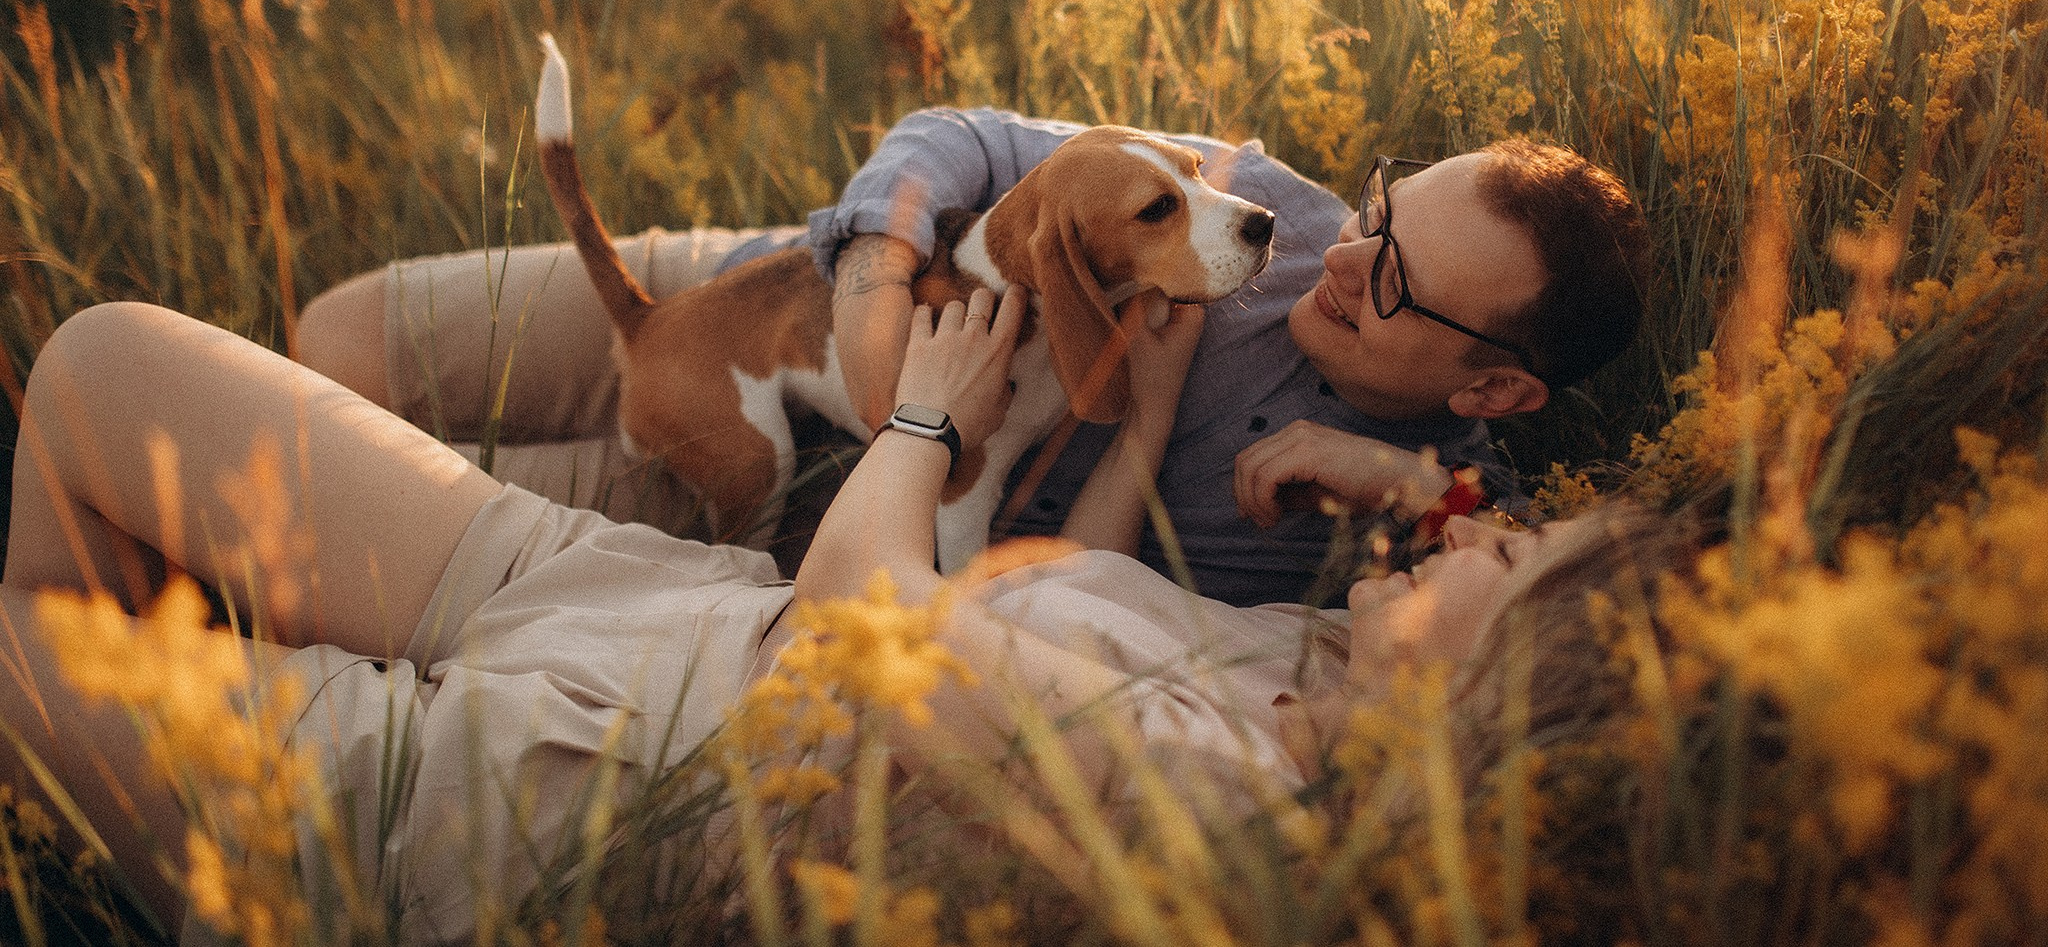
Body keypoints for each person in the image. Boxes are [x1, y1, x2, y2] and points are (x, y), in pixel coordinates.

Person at [1, 288, 1675, 943]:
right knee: (99, 364)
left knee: (16, 644)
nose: (1489, 536)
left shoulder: (1227, 832)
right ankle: (108, 775)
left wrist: (925, 417)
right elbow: (1455, 519)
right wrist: (1399, 493)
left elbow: (863, 601)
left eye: (1514, 565)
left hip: (520, 795)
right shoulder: (1310, 656)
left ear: (1500, 700)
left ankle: (124, 811)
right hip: (618, 588)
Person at [299, 107, 1650, 606]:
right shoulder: (1274, 213)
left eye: (1397, 277)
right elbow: (968, 137)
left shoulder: (1402, 515)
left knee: (308, 507)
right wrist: (875, 276)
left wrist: (1389, 474)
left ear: (1494, 391)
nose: (1338, 258)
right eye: (1379, 209)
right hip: (773, 282)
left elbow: (1560, 590)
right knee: (336, 338)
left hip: (807, 488)